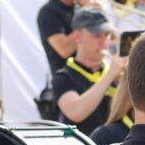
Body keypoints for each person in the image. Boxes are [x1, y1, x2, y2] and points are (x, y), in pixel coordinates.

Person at [51, 7, 126, 136]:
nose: (104, 43)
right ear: (77, 37)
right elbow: (75, 112)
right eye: (96, 36)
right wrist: (109, 76)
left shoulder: (115, 72)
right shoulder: (64, 77)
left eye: (107, 35)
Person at [37, 0, 98, 75]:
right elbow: (64, 49)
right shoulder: (48, 12)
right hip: (68, 82)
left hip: (93, 76)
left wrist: (98, 13)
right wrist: (88, 15)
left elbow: (109, 38)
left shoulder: (80, 7)